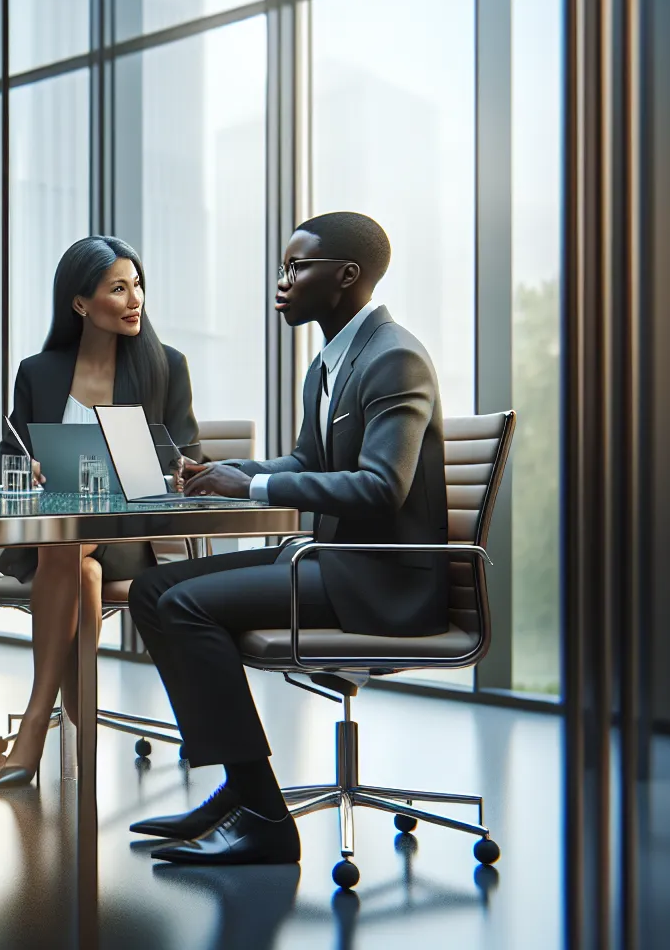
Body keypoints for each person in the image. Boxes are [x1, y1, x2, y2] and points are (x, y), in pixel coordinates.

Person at [127, 211, 447, 865]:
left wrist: (253, 489)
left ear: (346, 277)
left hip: (381, 580)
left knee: (185, 604)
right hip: (334, 563)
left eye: (297, 267)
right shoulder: (330, 366)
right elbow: (305, 464)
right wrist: (230, 473)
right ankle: (242, 789)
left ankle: (264, 817)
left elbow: (380, 487)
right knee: (153, 589)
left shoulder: (395, 358)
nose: (283, 282)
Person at [0, 236, 199, 790]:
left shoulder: (165, 366)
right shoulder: (39, 371)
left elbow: (189, 458)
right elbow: (6, 457)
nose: (136, 300)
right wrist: (27, 469)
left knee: (76, 553)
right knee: (75, 558)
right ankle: (77, 720)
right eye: (119, 288)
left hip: (131, 534)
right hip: (58, 538)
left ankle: (36, 723)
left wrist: (175, 472)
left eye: (138, 286)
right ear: (81, 304)